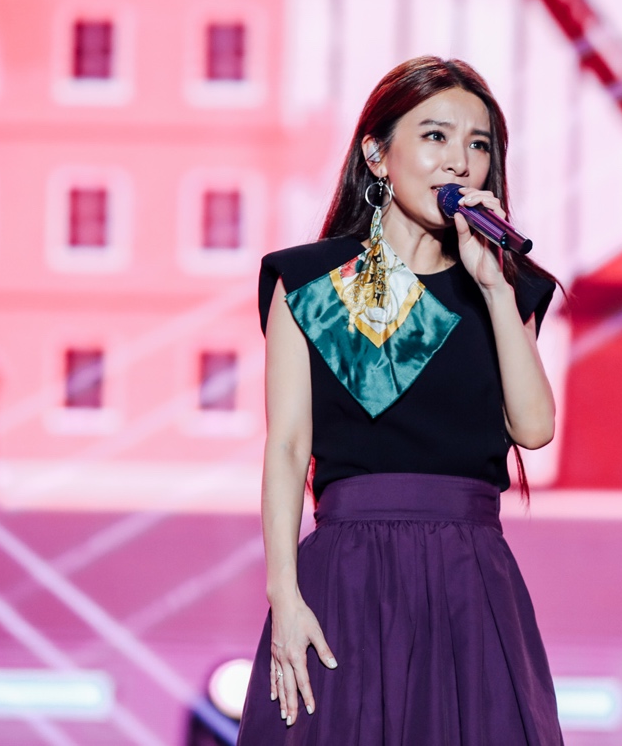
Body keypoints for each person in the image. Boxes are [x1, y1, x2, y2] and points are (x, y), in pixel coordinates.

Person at [235, 56, 564, 745]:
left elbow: (533, 429)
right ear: (377, 155)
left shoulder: (508, 289)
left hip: (468, 579)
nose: (459, 162)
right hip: (347, 575)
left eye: (479, 144)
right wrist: (283, 594)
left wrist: (494, 286)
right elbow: (288, 447)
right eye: (435, 136)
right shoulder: (310, 283)